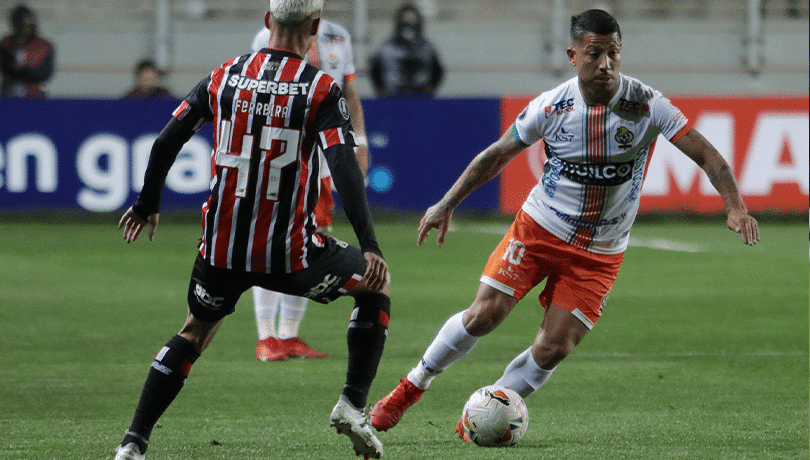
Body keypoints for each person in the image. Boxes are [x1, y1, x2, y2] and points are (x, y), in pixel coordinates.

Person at [370, 8, 760, 440]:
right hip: (539, 230)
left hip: (600, 252)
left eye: (613, 53)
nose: (606, 64)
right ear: (574, 55)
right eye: (594, 54)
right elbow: (496, 156)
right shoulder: (552, 107)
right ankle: (410, 388)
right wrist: (446, 204)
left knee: (554, 347)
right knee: (484, 314)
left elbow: (708, 155)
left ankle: (488, 410)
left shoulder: (648, 105)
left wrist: (735, 206)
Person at [113, 1, 390, 459]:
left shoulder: (224, 75)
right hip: (291, 254)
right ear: (315, 27)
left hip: (220, 250)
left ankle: (133, 443)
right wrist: (370, 245)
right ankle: (351, 406)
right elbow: (342, 165)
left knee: (194, 332)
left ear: (267, 22)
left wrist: (146, 205)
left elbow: (166, 141)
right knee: (376, 287)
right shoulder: (319, 88)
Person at [250, 11, 369, 361]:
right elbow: (259, 95)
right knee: (272, 237)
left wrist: (359, 140)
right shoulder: (266, 37)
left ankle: (289, 334)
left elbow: (349, 91)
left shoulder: (338, 36)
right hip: (284, 150)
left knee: (311, 236)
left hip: (323, 151)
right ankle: (266, 336)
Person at [368, 2, 444, 97]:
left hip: (421, 96)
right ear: (399, 21)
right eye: (405, 19)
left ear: (418, 21)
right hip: (392, 96)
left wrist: (430, 87)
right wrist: (382, 89)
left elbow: (437, 70)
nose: (408, 23)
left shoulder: (427, 46)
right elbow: (376, 70)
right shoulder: (386, 47)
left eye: (412, 19)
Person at [0, 3, 55, 97]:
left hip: (34, 96)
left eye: (29, 26)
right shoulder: (6, 43)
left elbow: (46, 73)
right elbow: (4, 68)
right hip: (9, 94)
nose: (26, 29)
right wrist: (13, 67)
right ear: (15, 26)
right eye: (22, 26)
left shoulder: (44, 46)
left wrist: (25, 70)